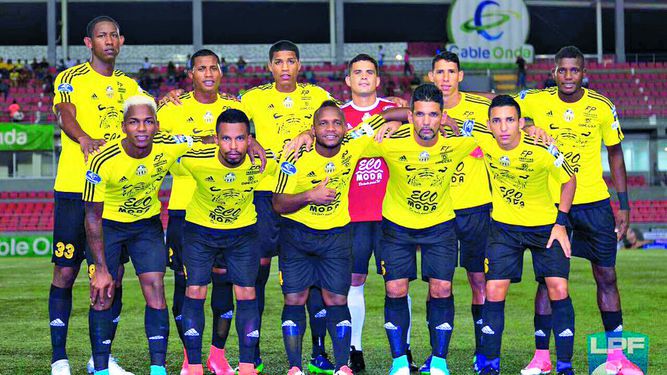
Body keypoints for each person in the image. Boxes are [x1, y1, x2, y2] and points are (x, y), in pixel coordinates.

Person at [513, 46, 641, 375]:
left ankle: (616, 358)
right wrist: (526, 125)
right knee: (549, 281)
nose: (568, 76)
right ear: (554, 73)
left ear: (584, 73)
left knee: (607, 276)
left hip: (595, 202)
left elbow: (615, 153)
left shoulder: (601, 106)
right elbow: (500, 109)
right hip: (553, 204)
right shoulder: (536, 100)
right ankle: (542, 357)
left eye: (575, 70)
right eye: (562, 70)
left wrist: (622, 203)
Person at [84, 96, 206, 375]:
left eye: (148, 122)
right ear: (124, 126)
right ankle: (101, 369)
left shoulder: (168, 145)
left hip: (146, 226)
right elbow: (91, 215)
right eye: (135, 122)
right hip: (108, 226)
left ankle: (158, 369)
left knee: (155, 289)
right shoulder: (103, 159)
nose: (142, 128)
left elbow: (208, 139)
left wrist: (253, 141)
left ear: (157, 126)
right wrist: (101, 268)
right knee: (103, 291)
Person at [157, 48, 261, 375]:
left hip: (230, 209)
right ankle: (191, 359)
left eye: (214, 68)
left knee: (226, 287)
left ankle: (218, 353)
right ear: (191, 74)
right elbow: (158, 143)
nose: (208, 73)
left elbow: (250, 144)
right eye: (201, 68)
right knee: (186, 285)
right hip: (185, 208)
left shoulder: (235, 106)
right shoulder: (172, 107)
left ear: (221, 72)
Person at [49, 15, 144, 375]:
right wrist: (84, 138)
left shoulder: (131, 86)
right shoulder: (71, 77)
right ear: (89, 43)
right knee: (65, 272)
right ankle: (60, 358)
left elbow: (151, 117)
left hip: (114, 195)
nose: (108, 41)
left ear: (121, 41)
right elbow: (65, 112)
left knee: (112, 276)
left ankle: (100, 359)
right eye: (101, 36)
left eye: (114, 35)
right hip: (75, 189)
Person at [239, 40, 339, 374]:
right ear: (270, 66)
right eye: (278, 61)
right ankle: (251, 352)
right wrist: (250, 138)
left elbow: (337, 123)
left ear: (299, 64)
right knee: (258, 273)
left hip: (304, 194)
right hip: (266, 194)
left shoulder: (317, 94)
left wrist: (309, 130)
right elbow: (228, 123)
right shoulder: (254, 97)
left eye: (290, 61)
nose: (285, 67)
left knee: (311, 279)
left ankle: (318, 352)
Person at [272, 101, 387, 375]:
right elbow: (278, 203)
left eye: (337, 123)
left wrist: (405, 110)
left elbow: (384, 117)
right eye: (323, 124)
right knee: (295, 299)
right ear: (313, 129)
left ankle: (343, 367)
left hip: (336, 237)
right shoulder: (294, 154)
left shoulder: (353, 145)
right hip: (297, 236)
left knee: (337, 299)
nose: (331, 129)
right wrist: (309, 196)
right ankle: (295, 368)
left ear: (347, 128)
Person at [475, 95, 577, 375]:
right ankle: (489, 366)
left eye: (510, 120)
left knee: (559, 288)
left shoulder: (542, 146)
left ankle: (565, 366)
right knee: (494, 291)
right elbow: (446, 119)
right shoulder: (483, 138)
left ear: (521, 123)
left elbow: (569, 180)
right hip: (504, 229)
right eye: (497, 121)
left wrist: (560, 223)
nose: (504, 127)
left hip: (545, 227)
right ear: (489, 125)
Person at [178, 109, 276, 375]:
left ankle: (246, 367)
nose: (233, 146)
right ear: (216, 138)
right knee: (195, 291)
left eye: (241, 139)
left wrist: (306, 134)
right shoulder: (196, 159)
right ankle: (195, 366)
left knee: (247, 294)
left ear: (250, 139)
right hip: (200, 233)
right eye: (226, 139)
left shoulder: (263, 161)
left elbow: (296, 156)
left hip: (243, 234)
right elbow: (163, 147)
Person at [339, 54, 417, 372]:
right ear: (348, 80)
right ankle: (355, 349)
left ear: (378, 79)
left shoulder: (394, 111)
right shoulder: (337, 116)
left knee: (397, 284)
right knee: (354, 281)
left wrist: (398, 118)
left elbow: (421, 121)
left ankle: (404, 351)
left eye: (369, 72)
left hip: (391, 214)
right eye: (357, 72)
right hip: (351, 214)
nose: (363, 77)